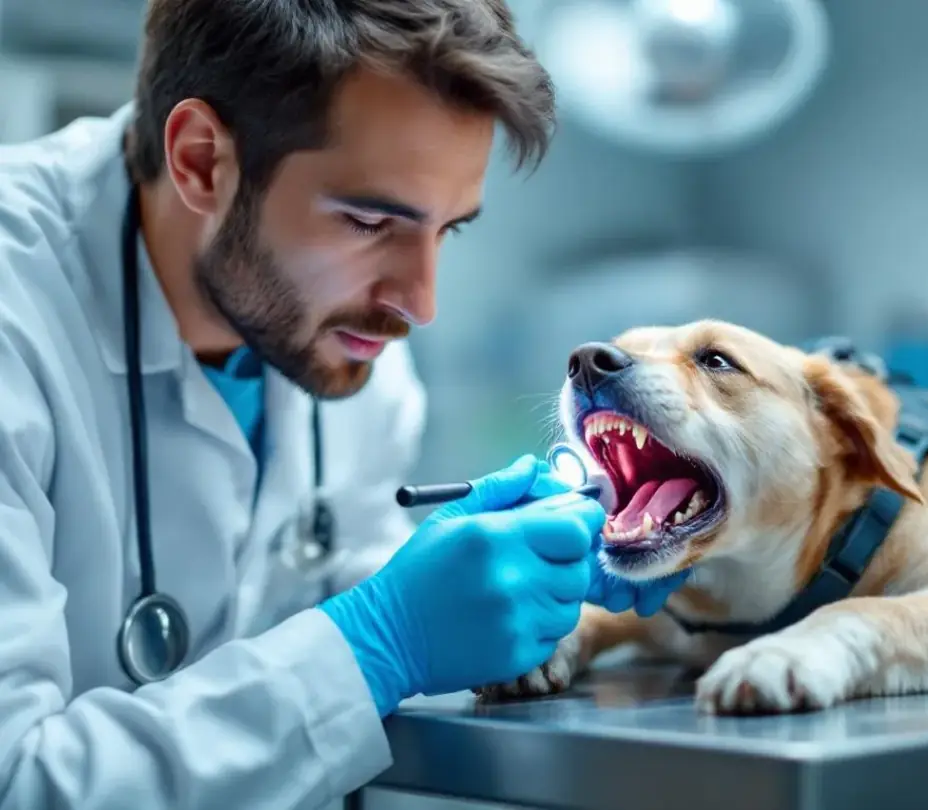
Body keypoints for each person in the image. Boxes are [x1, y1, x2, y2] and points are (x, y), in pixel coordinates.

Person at [0, 1, 691, 808]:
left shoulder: (352, 354)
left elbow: (323, 621)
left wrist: (490, 595)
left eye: (449, 231)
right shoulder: (22, 309)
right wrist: (382, 643)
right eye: (369, 221)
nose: (419, 304)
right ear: (199, 162)